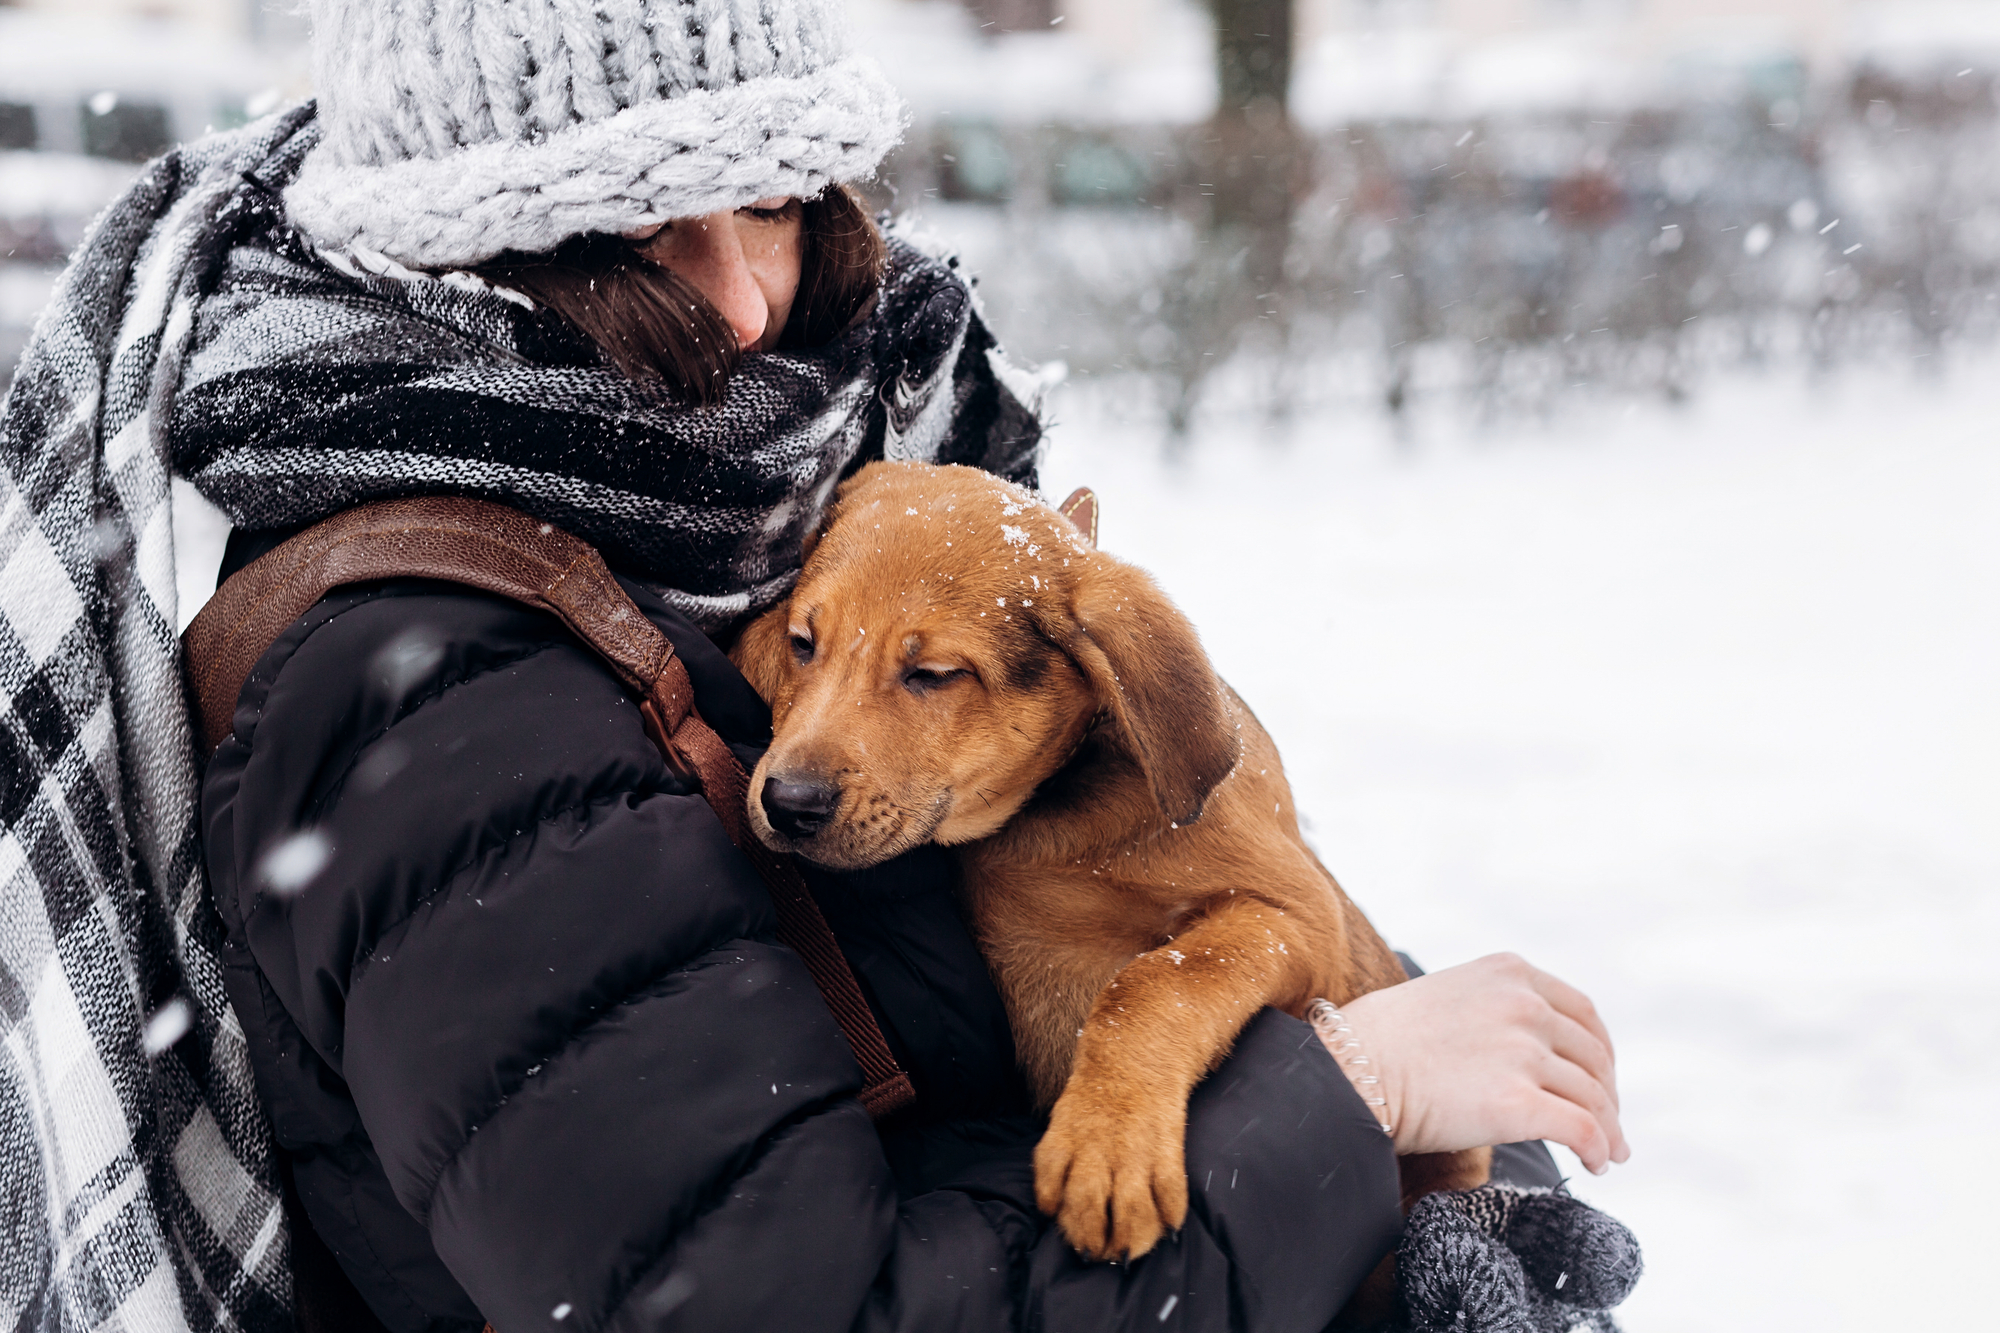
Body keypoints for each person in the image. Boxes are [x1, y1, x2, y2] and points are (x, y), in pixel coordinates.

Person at [0, 0, 1628, 1328]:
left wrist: (1439, 1151)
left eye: (777, 198)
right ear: (463, 248)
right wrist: (1335, 1110)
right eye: (644, 228)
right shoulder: (431, 697)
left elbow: (1177, 884)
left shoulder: (758, 514)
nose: (753, 300)